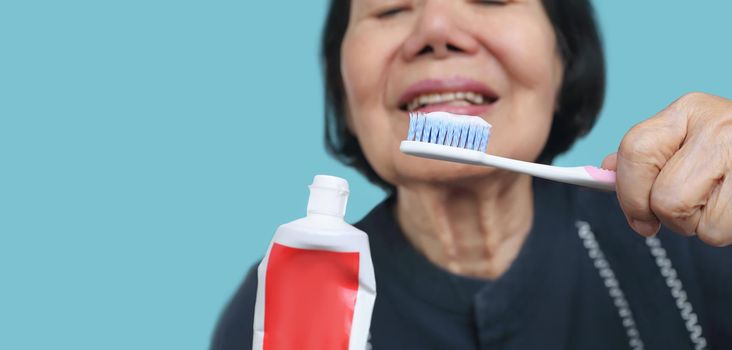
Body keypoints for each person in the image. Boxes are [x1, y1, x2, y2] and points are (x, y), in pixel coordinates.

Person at [212, 0, 732, 349]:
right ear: (344, 89)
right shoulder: (289, 293)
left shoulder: (695, 233)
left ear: (563, 58)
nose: (436, 32)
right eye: (391, 6)